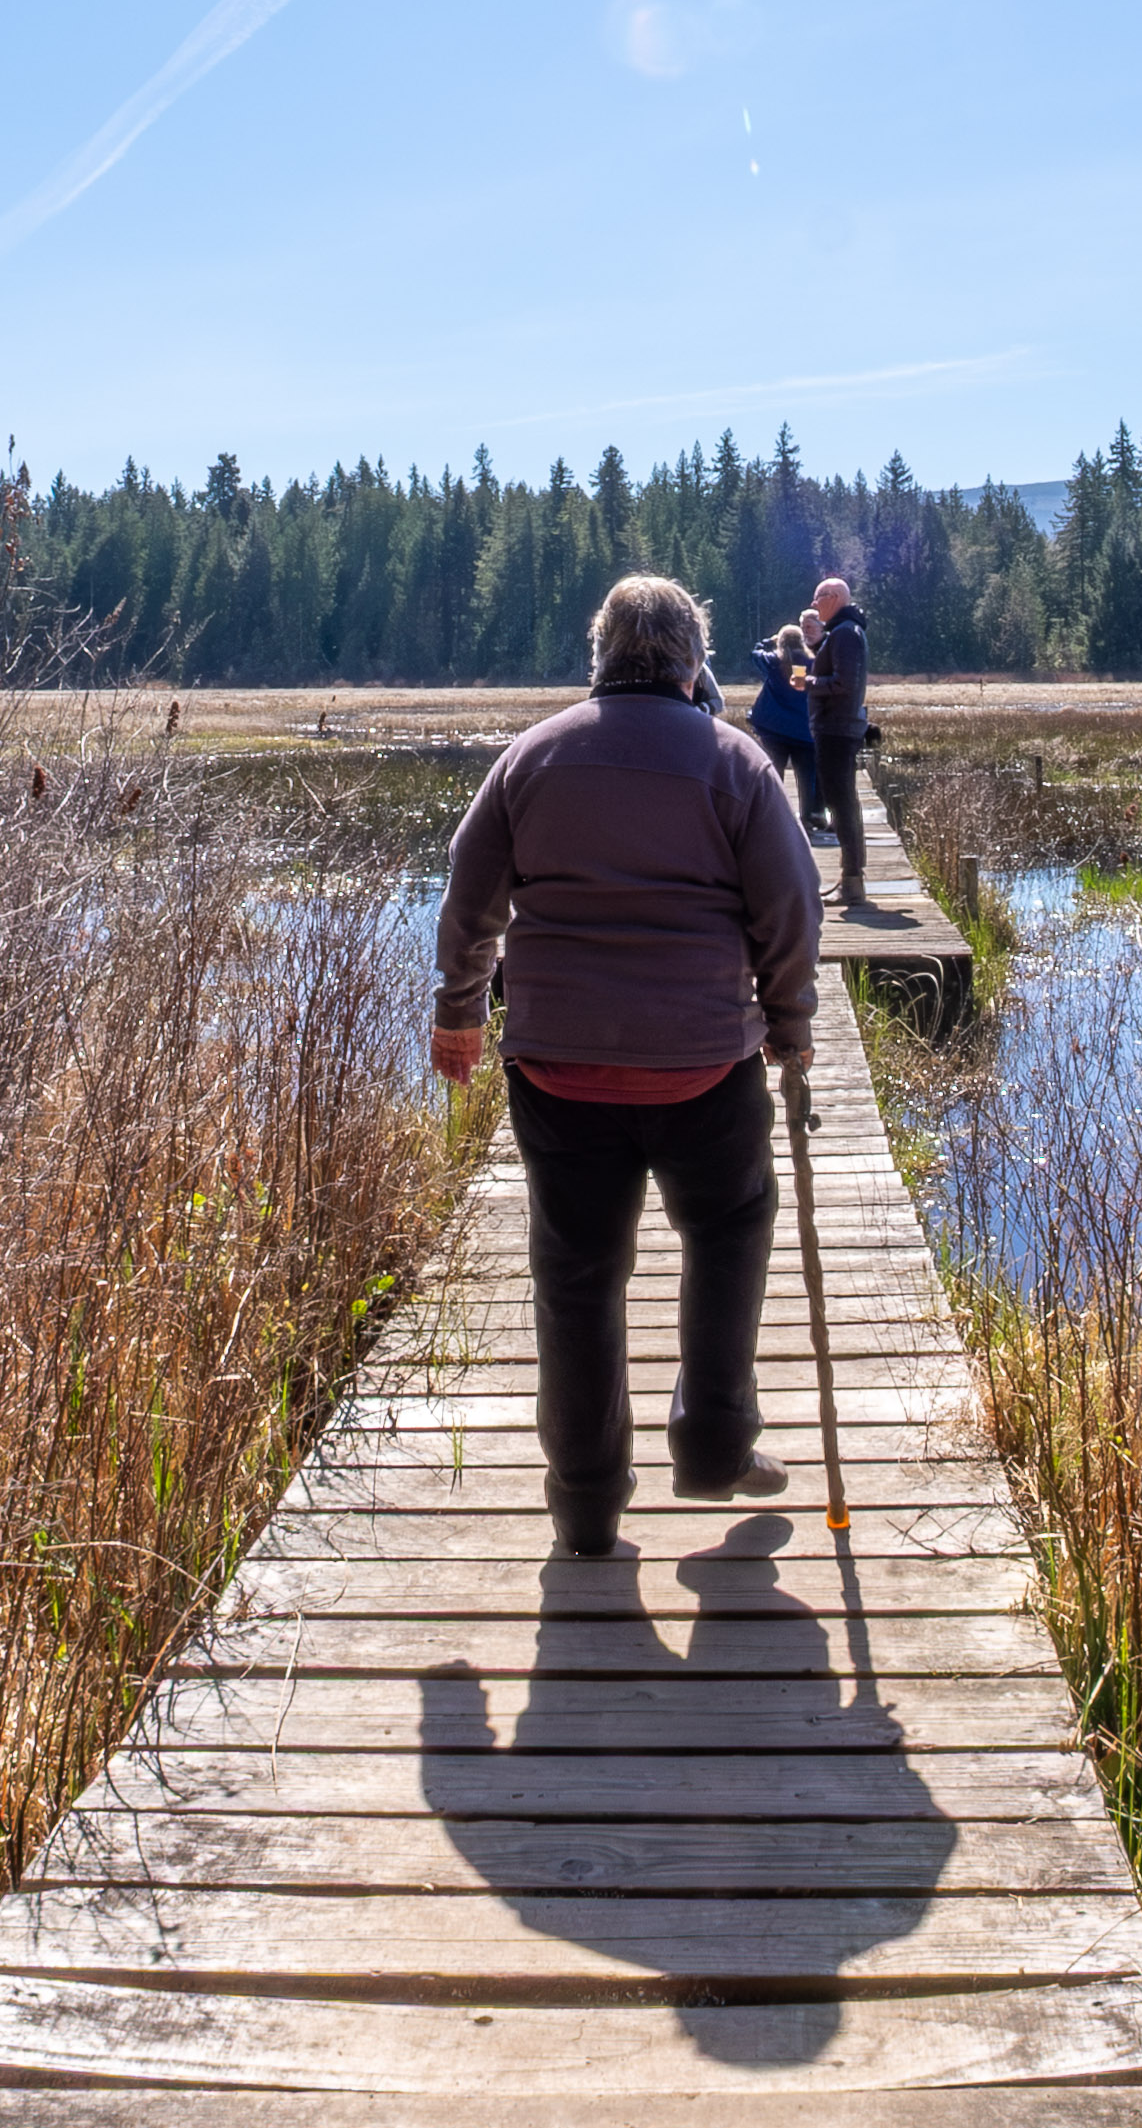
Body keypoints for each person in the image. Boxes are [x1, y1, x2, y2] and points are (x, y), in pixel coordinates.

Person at [432, 574, 820, 1559]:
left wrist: (458, 1013)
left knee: (575, 1276)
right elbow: (788, 913)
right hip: (701, 1067)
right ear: (693, 663)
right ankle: (713, 1443)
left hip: (557, 1071)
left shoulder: (531, 757)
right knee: (729, 1226)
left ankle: (586, 1501)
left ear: (598, 656)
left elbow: (469, 898)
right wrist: (789, 1026)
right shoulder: (734, 764)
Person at [802, 572, 870, 906]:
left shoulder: (845, 634)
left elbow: (844, 683)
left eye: (818, 599)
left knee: (842, 805)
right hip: (837, 729)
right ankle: (851, 878)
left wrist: (809, 683)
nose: (814, 606)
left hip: (837, 729)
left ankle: (852, 882)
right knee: (842, 803)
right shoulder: (843, 632)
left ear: (834, 599)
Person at [747, 615, 827, 834]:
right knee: (807, 777)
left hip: (774, 730)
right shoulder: (813, 663)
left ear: (780, 642)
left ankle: (774, 816)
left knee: (774, 773)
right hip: (804, 731)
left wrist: (767, 642)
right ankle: (808, 817)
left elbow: (754, 654)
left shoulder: (773, 661)